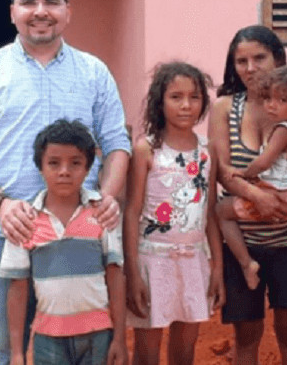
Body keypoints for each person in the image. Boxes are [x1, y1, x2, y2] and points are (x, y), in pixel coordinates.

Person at [0, 0, 131, 365]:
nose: (41, 10)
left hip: (79, 231)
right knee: (2, 346)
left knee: (81, 338)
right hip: (3, 230)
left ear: (68, 11)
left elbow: (118, 143)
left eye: (52, 1)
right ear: (13, 11)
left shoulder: (94, 73)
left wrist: (108, 197)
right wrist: (2, 204)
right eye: (29, 1)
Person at [207, 25, 287, 365]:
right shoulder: (224, 108)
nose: (250, 68)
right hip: (243, 245)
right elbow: (221, 170)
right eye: (241, 60)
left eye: (259, 58)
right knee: (246, 337)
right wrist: (257, 197)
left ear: (278, 60)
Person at [0, 119, 127, 365]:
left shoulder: (101, 214)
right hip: (49, 339)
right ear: (40, 167)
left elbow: (115, 276)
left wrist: (119, 338)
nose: (65, 171)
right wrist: (16, 353)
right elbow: (17, 287)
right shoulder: (25, 220)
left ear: (88, 168)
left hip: (98, 336)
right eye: (54, 163)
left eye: (75, 163)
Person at [124, 62, 225, 365]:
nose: (186, 105)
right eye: (176, 97)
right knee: (148, 348)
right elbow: (131, 213)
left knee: (185, 345)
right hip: (153, 260)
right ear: (160, 101)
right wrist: (132, 273)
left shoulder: (208, 151)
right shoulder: (147, 149)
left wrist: (217, 267)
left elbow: (209, 214)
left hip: (193, 261)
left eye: (194, 97)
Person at [216, 63, 287, 291]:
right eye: (268, 99)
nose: (271, 105)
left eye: (282, 100)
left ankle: (247, 265)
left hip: (273, 199)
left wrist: (244, 174)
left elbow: (263, 162)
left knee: (221, 211)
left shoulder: (283, 130)